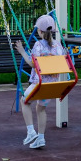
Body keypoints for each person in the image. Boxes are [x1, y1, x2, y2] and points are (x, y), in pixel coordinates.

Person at [14, 14, 65, 149]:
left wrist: (22, 52)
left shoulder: (38, 45)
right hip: (52, 85)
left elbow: (33, 64)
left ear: (39, 31)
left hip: (40, 84)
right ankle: (40, 138)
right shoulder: (58, 45)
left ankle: (31, 132)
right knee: (41, 109)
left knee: (24, 101)